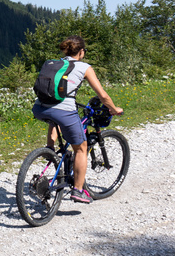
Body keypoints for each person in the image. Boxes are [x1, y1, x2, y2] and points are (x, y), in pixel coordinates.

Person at [32, 36, 123, 203]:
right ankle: (78, 191)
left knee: (56, 117)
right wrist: (114, 108)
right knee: (81, 147)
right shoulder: (85, 67)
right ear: (81, 52)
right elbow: (102, 95)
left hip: (39, 108)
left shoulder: (54, 64)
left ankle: (50, 150)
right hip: (63, 111)